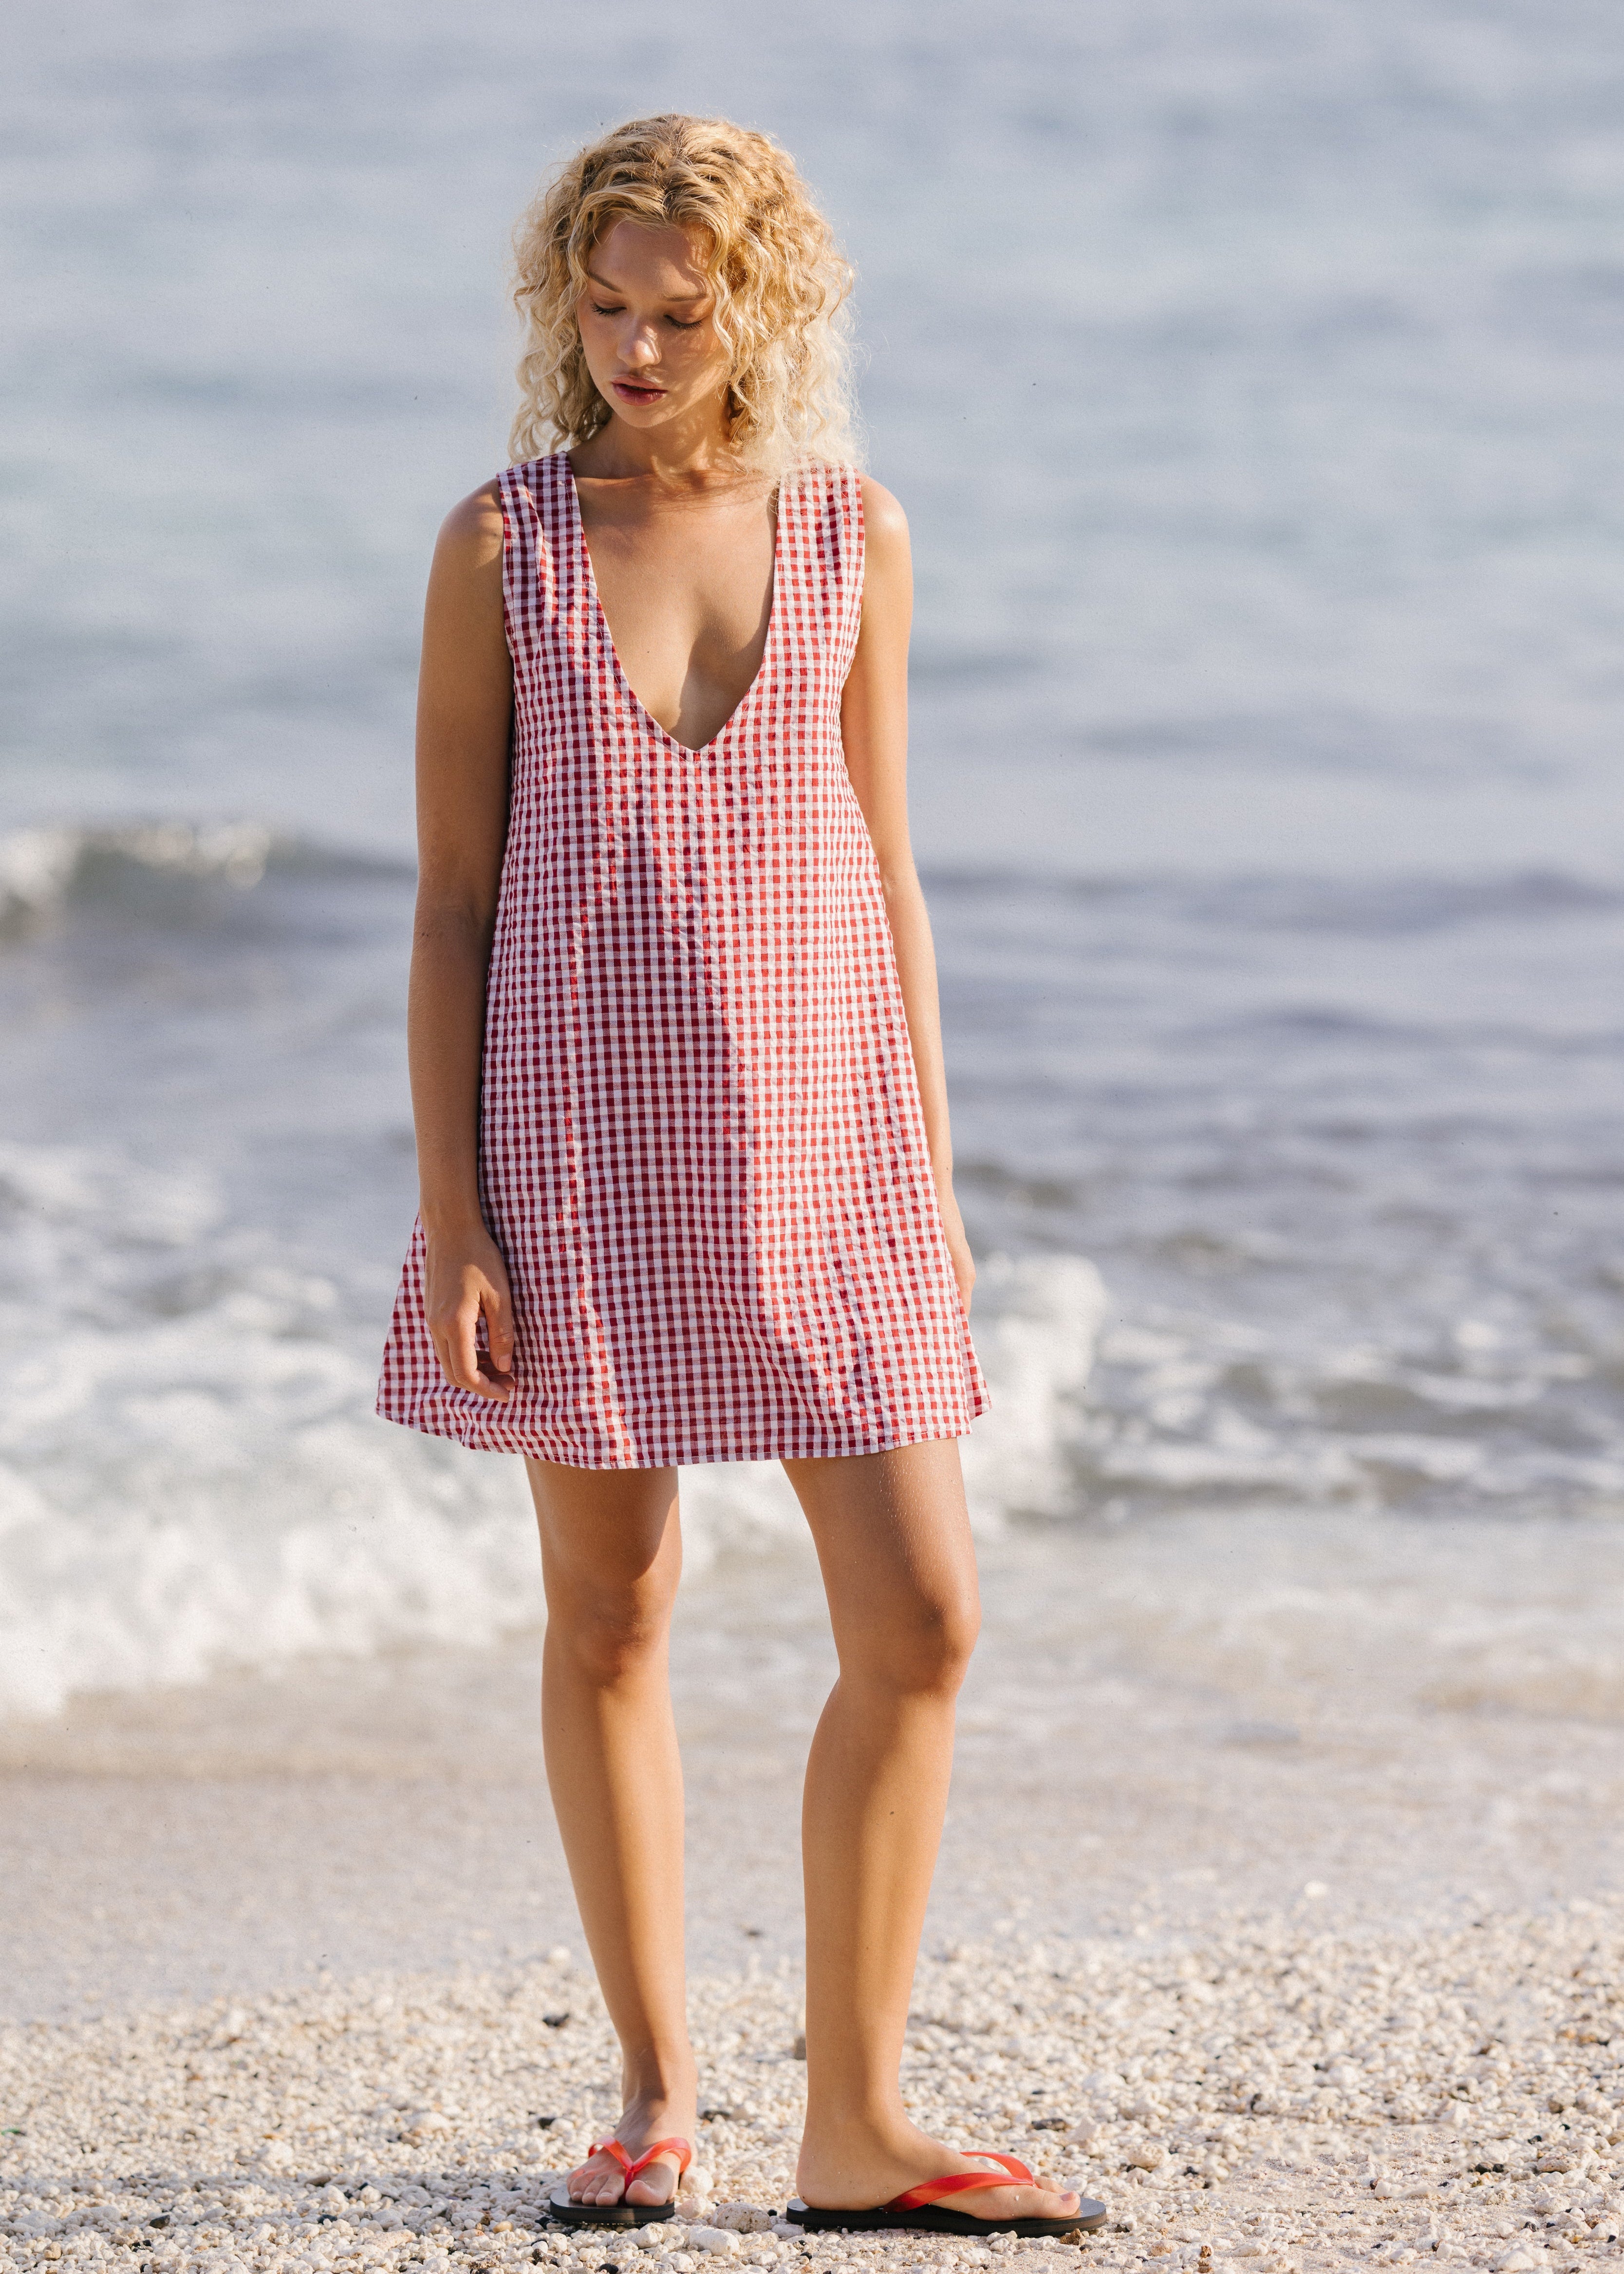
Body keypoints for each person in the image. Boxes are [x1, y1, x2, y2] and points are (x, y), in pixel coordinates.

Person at [378, 113, 1098, 2240]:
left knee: (929, 1619)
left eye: (678, 312)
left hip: (825, 1151)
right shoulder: (504, 547)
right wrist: (456, 1210)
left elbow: (887, 874)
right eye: (602, 305)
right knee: (613, 1615)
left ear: (758, 309)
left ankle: (857, 2115)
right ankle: (653, 2097)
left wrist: (933, 1187)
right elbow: (447, 902)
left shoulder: (856, 534)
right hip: (571, 1154)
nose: (632, 345)